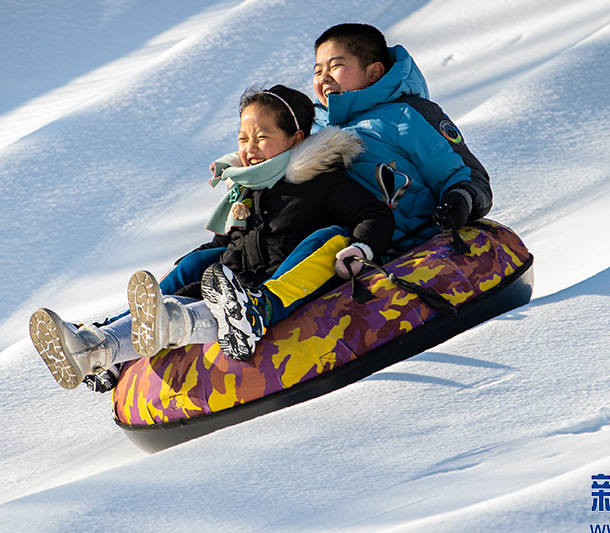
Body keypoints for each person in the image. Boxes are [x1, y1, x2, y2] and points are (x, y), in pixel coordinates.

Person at [29, 85, 394, 389]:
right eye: (243, 138)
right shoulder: (248, 187)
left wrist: (360, 247)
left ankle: (243, 316)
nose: (249, 148)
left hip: (276, 287)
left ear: (296, 138)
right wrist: (192, 266)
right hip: (237, 282)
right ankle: (99, 349)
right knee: (197, 265)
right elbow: (229, 244)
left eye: (262, 137)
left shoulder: (321, 181)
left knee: (330, 237)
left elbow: (373, 215)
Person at [312, 23, 493, 252]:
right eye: (317, 71)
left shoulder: (405, 116)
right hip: (348, 249)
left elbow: (460, 172)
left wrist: (460, 198)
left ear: (374, 73)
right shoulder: (312, 130)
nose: (324, 78)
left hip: (417, 245)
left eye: (335, 66)